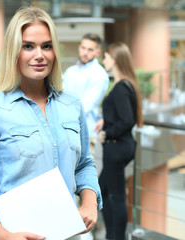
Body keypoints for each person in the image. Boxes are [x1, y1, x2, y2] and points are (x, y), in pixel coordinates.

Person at [0, 6, 102, 240]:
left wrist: (90, 202)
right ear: (13, 51)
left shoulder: (72, 104)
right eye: (28, 46)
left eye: (47, 46)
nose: (39, 55)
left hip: (70, 233)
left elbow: (84, 164)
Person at [95, 42, 143, 240]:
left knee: (116, 195)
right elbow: (123, 114)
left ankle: (117, 237)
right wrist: (106, 120)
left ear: (114, 59)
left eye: (105, 57)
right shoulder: (124, 84)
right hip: (121, 146)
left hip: (117, 147)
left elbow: (127, 119)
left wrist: (108, 133)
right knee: (103, 189)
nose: (103, 60)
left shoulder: (122, 86)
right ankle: (112, 235)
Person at [63, 33, 109, 154]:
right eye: (83, 48)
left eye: (90, 50)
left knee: (82, 172)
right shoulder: (70, 71)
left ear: (98, 53)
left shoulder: (99, 75)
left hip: (85, 133)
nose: (85, 52)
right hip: (64, 131)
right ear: (79, 48)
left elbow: (85, 106)